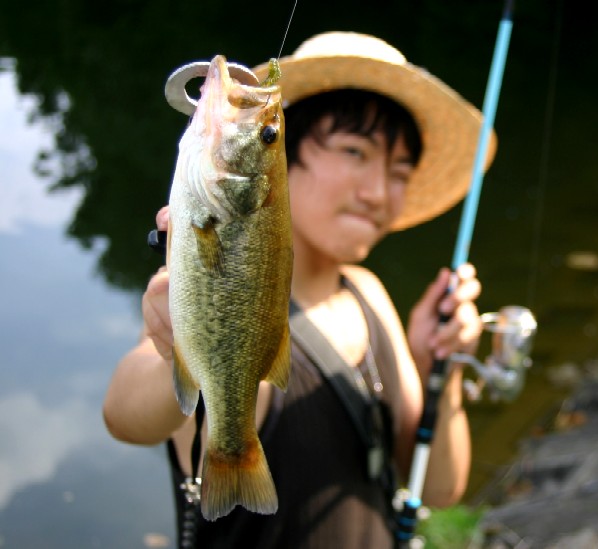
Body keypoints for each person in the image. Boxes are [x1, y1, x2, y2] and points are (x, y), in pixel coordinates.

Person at [103, 31, 495, 548]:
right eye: (355, 151)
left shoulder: (368, 294)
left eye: (400, 171)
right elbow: (124, 414)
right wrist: (171, 350)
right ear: (286, 156)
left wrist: (437, 365)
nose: (378, 192)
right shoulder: (226, 303)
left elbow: (441, 489)